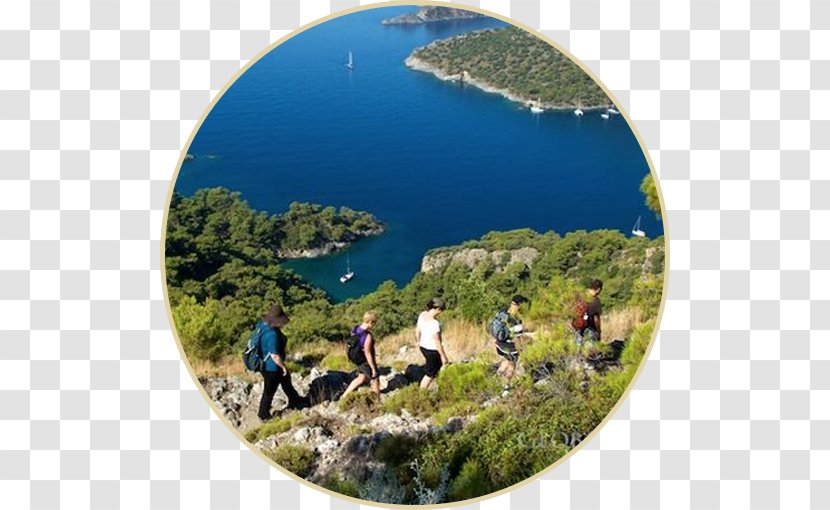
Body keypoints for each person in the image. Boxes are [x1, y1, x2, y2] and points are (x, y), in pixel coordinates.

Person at [257, 304, 306, 421]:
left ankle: (295, 400)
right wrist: (283, 367)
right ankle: (263, 415)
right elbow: (275, 355)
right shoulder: (272, 335)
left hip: (264, 363)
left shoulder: (263, 326)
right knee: (269, 391)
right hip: (272, 368)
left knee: (286, 380)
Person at [340, 311, 381, 400]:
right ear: (370, 322)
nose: (374, 326)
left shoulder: (355, 329)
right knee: (375, 378)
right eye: (374, 323)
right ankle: (376, 399)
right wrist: (373, 369)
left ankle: (344, 396)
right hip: (364, 360)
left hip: (357, 358)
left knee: (361, 377)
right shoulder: (367, 336)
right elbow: (368, 353)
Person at [490, 295, 529, 387]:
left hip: (500, 343)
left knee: (506, 361)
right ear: (519, 305)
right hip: (509, 346)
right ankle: (505, 387)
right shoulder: (514, 319)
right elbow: (517, 336)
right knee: (512, 365)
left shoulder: (503, 313)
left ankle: (495, 380)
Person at [416, 298, 448, 390]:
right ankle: (421, 394)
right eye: (441, 310)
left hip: (423, 347)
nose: (441, 312)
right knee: (429, 374)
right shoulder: (434, 323)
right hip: (432, 351)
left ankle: (438, 384)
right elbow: (437, 342)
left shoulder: (422, 314)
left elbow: (417, 329)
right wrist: (443, 356)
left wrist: (418, 341)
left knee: (435, 368)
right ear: (437, 309)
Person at [573, 279, 603, 345]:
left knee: (577, 352)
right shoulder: (596, 301)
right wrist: (599, 333)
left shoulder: (579, 296)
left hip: (578, 328)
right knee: (590, 353)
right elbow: (596, 319)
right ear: (598, 289)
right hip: (590, 330)